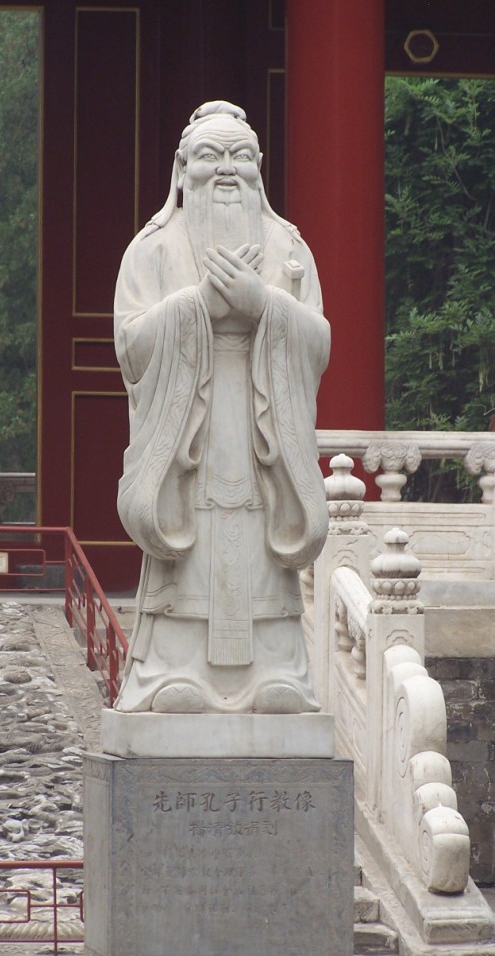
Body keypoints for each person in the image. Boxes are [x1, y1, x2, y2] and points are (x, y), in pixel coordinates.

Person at [113, 100, 330, 714]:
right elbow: (130, 344)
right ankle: (169, 672)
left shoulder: (289, 246)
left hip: (264, 435)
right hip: (190, 435)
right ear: (182, 170)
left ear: (261, 171)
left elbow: (318, 343)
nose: (227, 171)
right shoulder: (151, 249)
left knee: (261, 550)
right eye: (210, 157)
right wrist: (198, 304)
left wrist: (265, 304)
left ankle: (277, 674)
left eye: (241, 158)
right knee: (191, 550)